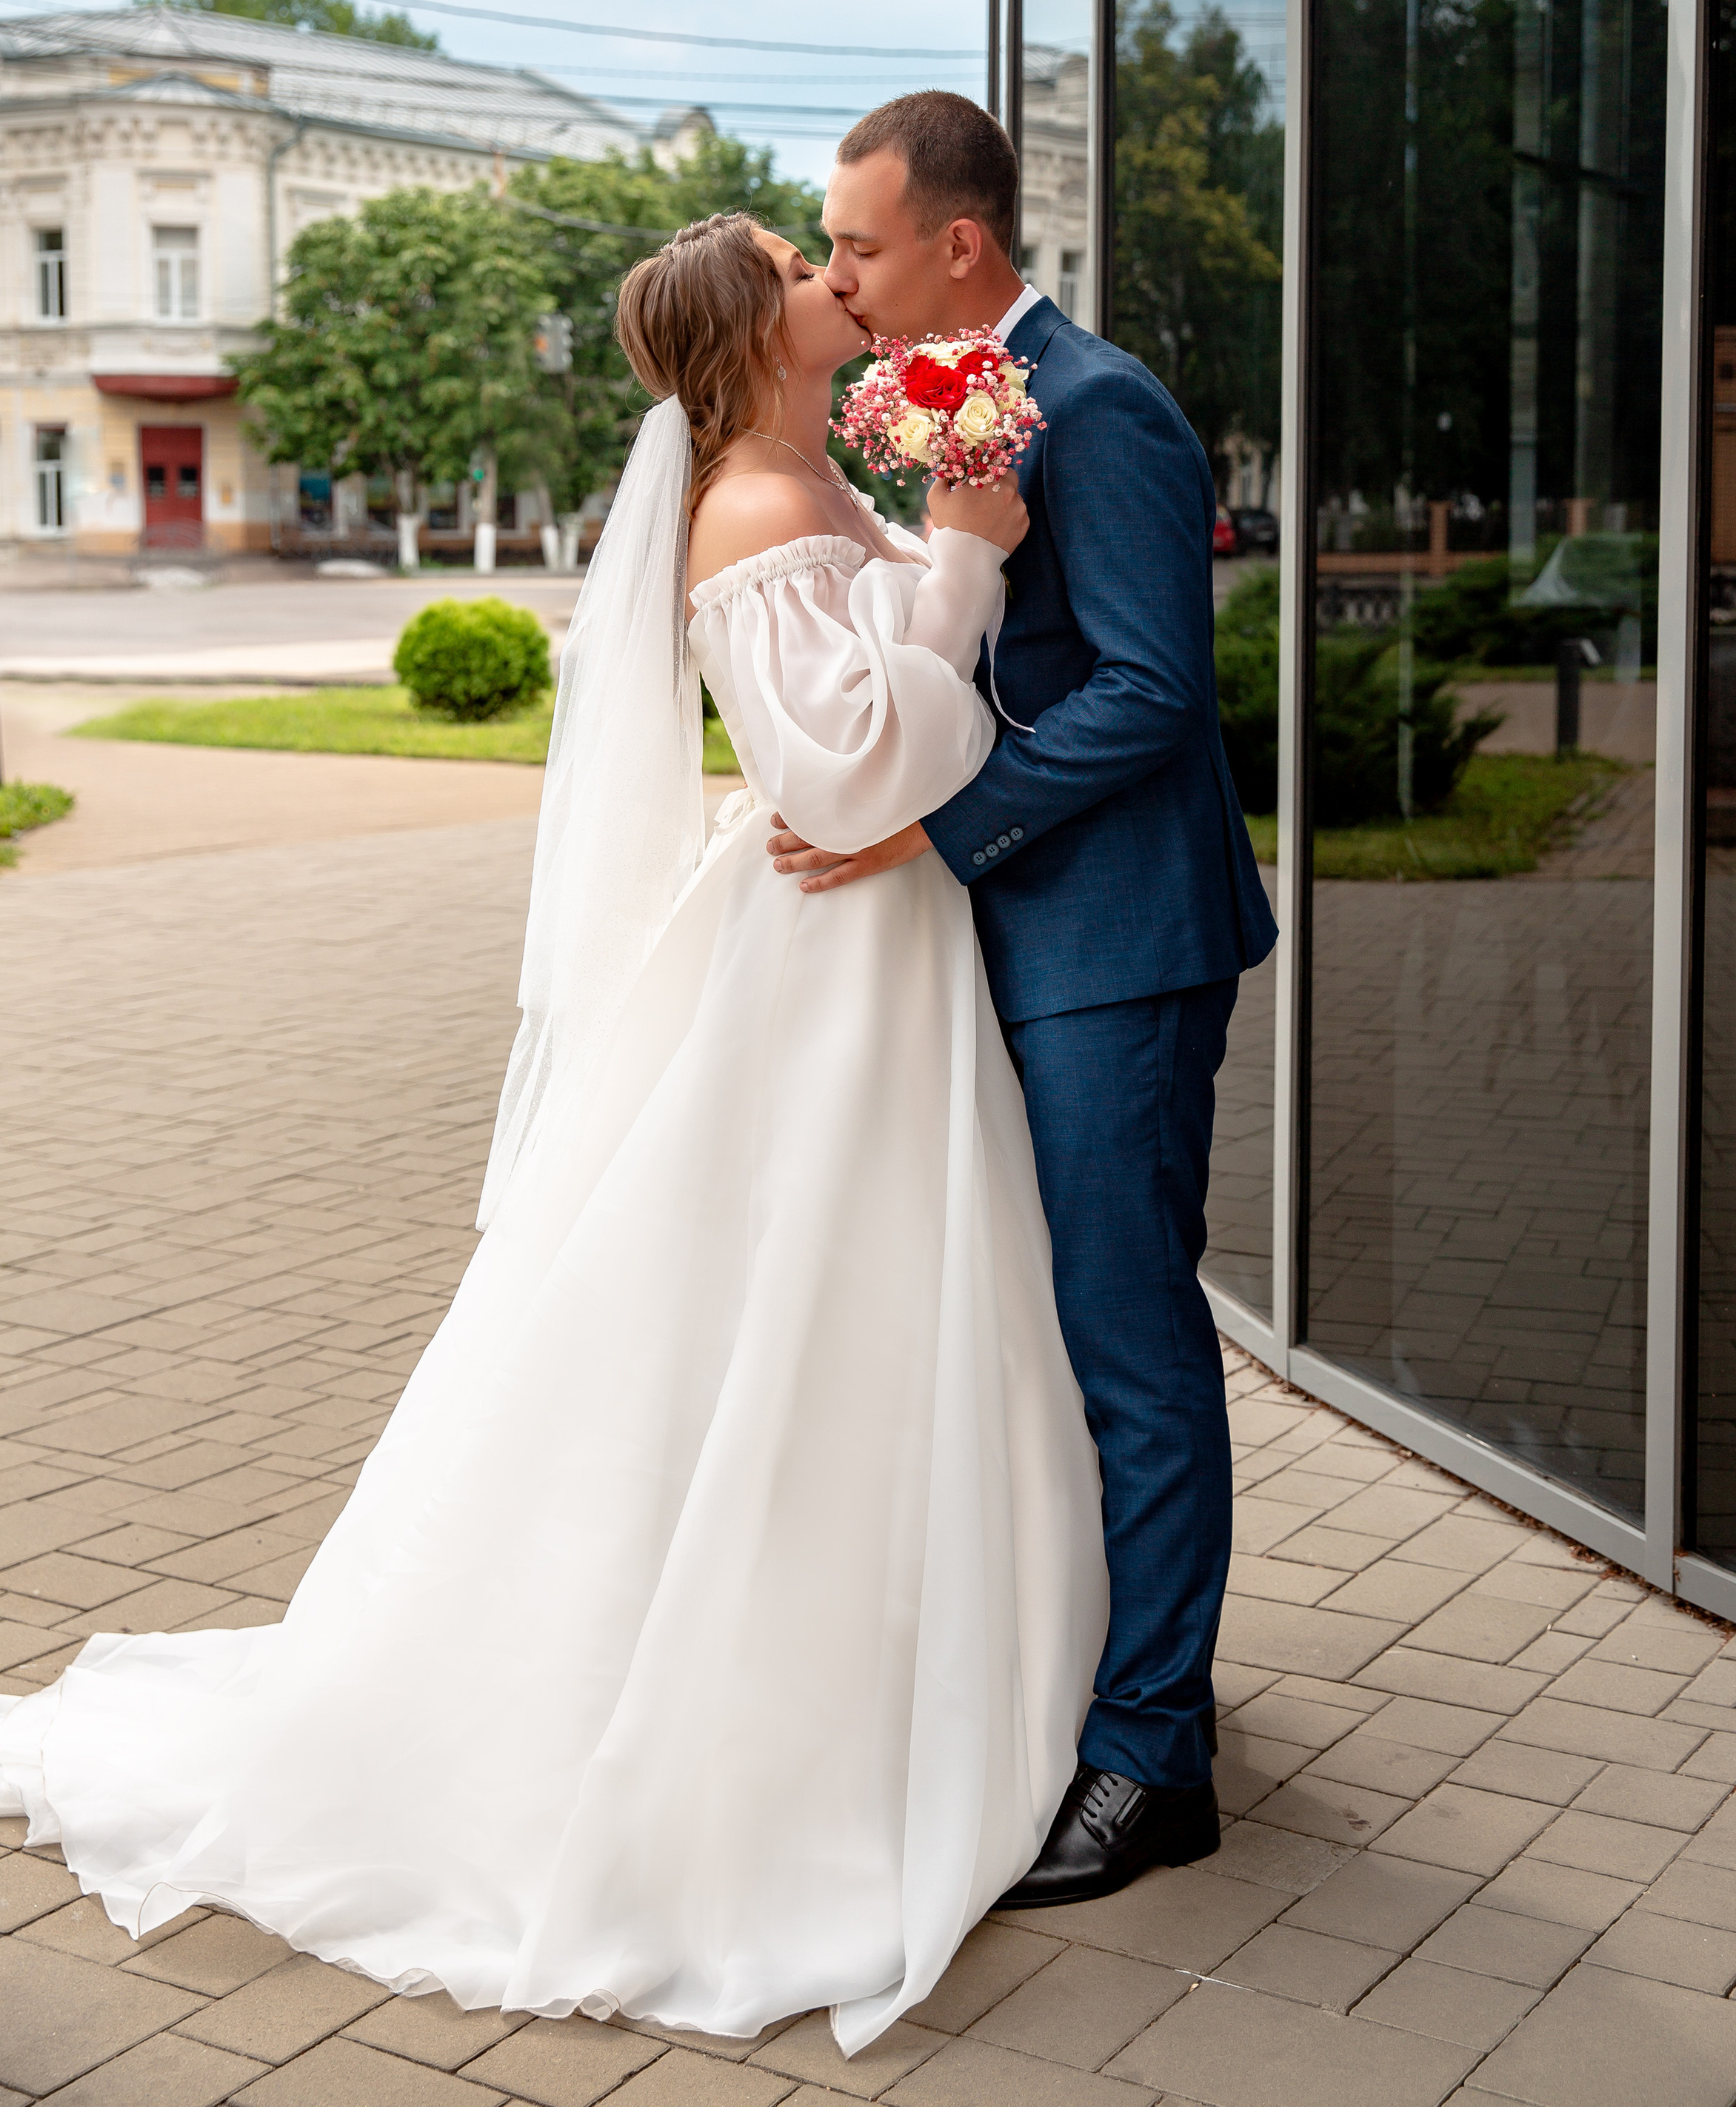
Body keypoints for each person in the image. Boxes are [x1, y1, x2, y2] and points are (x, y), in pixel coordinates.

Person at [0, 215, 1107, 2057]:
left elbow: (873, 718)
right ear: (758, 328)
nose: (837, 271)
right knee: (798, 1319)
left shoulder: (812, 470)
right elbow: (849, 776)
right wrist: (970, 567)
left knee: (864, 1319)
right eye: (799, 256)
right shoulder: (754, 511)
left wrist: (940, 538)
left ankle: (904, 1675)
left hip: (870, 959)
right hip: (823, 969)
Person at [769, 89, 1277, 1909]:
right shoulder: (966, 396)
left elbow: (1149, 691)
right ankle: (1124, 1674)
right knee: (1061, 1340)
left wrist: (931, 831)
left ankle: (1155, 1760)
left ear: (958, 245)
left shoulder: (1105, 405)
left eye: (858, 244)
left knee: (1130, 1349)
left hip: (1117, 950)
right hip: (1027, 944)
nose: (839, 275)